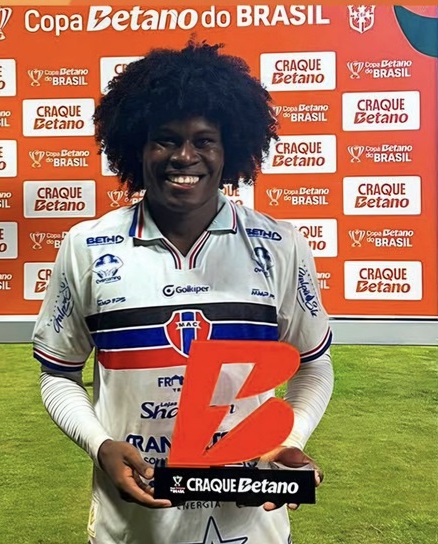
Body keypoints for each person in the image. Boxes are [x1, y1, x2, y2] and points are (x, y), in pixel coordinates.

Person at [33, 40, 334, 544]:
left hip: (251, 529)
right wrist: (100, 445)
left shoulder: (280, 245)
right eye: (166, 140)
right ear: (137, 147)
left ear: (230, 148)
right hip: (131, 530)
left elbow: (314, 365)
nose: (185, 156)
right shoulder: (87, 246)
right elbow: (58, 375)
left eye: (204, 140)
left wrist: (289, 437)